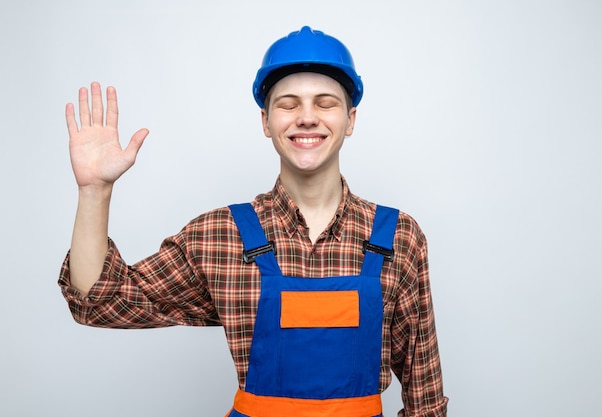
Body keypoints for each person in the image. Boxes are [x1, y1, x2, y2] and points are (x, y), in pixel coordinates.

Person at [59, 26, 448, 417]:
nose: (307, 117)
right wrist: (95, 192)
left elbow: (425, 401)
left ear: (350, 119)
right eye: (288, 104)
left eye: (325, 103)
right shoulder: (220, 236)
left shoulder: (398, 236)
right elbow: (100, 302)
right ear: (266, 121)